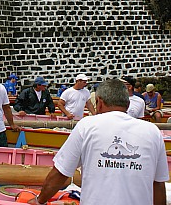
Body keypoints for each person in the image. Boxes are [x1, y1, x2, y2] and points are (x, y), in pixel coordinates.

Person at [28, 79, 168, 205]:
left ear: (99, 102)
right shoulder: (153, 131)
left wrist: (40, 200)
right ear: (127, 103)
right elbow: (158, 184)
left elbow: (60, 173)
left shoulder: (87, 125)